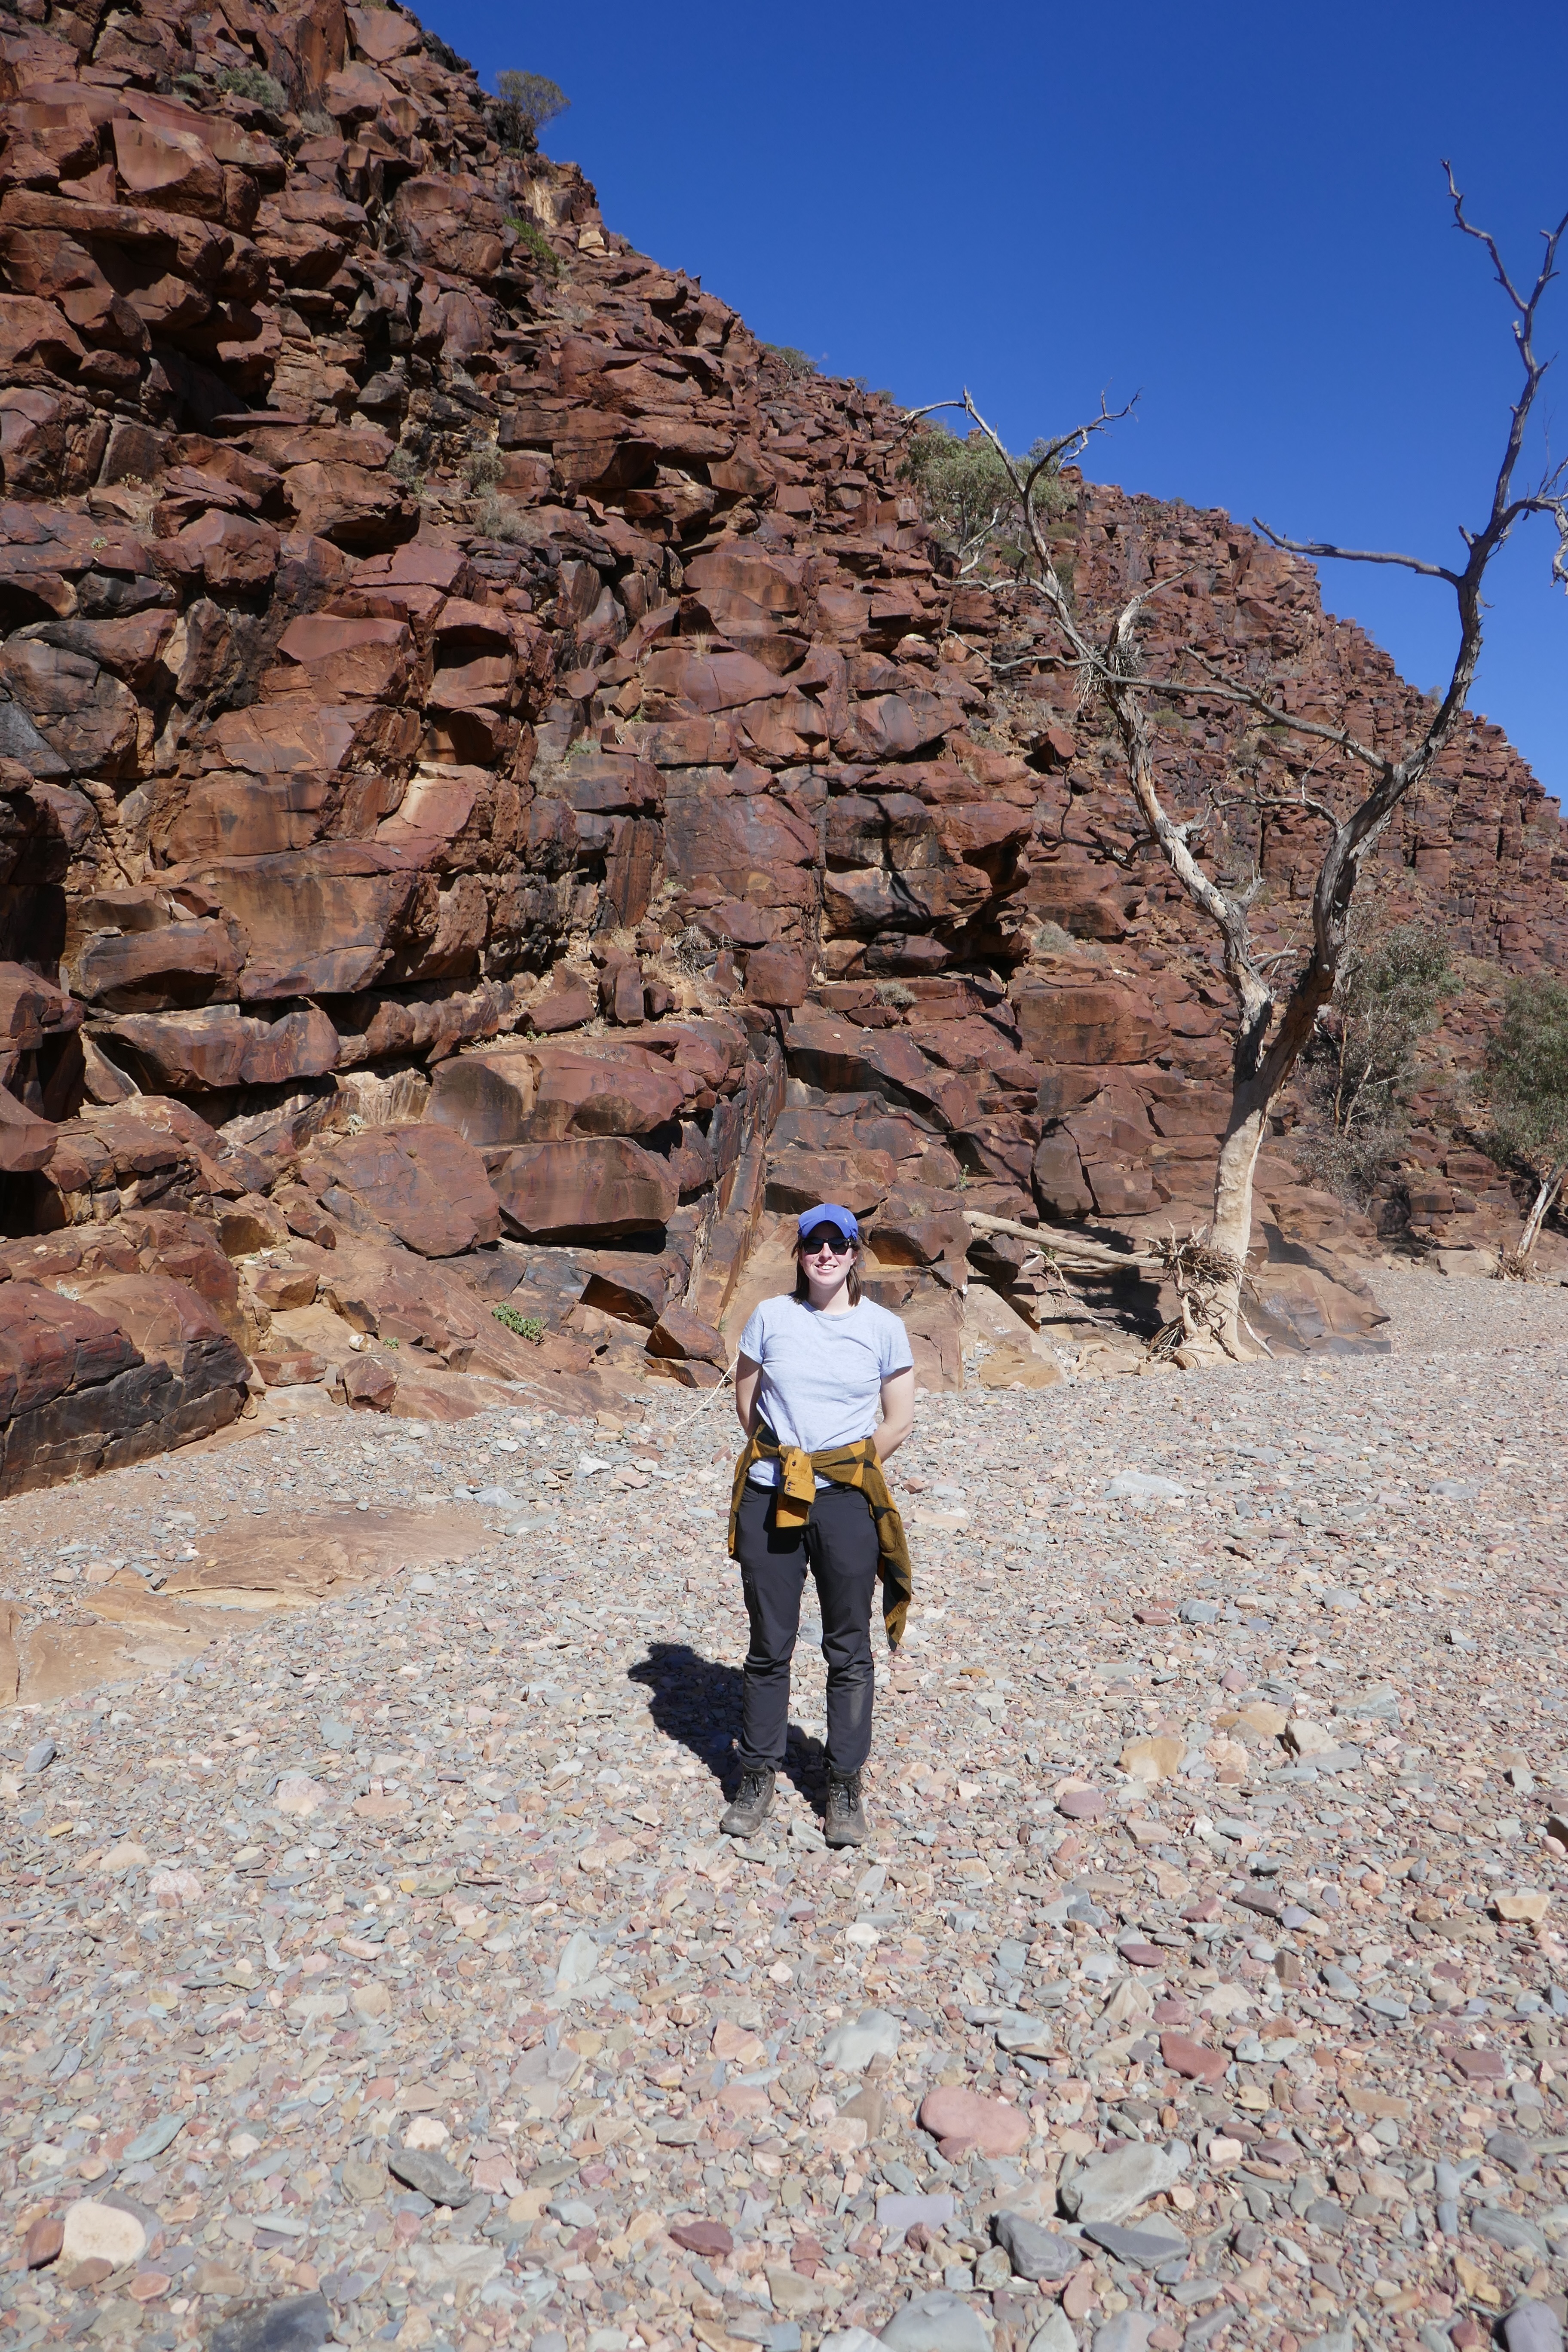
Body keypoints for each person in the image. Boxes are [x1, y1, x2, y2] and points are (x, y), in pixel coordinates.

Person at [723, 1202, 916, 1847]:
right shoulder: (772, 1318)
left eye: (839, 1245)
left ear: (855, 1254)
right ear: (801, 1253)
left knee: (848, 1648)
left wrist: (843, 1470)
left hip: (845, 1502)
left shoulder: (884, 1328)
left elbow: (898, 1421)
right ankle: (757, 1775)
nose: (826, 1255)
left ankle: (844, 1785)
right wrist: (788, 1462)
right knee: (769, 1644)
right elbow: (748, 1401)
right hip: (772, 1491)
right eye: (815, 1245)